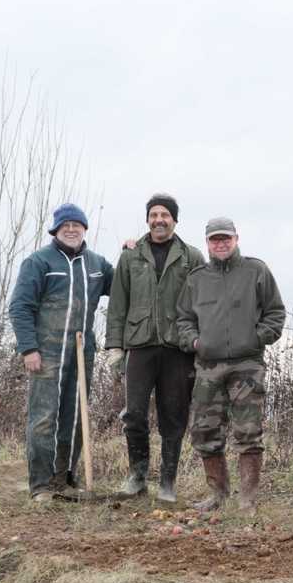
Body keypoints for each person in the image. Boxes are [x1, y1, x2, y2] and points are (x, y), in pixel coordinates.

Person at [176, 217, 285, 514]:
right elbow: (183, 319)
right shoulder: (197, 278)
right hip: (207, 367)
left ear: (236, 239)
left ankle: (248, 499)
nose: (220, 243)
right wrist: (195, 342)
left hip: (246, 365)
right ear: (207, 243)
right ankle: (219, 495)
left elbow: (275, 312)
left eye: (225, 238)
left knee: (248, 431)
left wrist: (256, 338)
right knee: (204, 430)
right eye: (215, 239)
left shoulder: (256, 270)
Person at [8, 203, 114, 501]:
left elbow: (124, 284)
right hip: (46, 352)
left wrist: (132, 251)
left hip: (82, 350)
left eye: (76, 225)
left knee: (75, 416)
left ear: (84, 229)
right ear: (55, 229)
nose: (71, 229)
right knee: (44, 418)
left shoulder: (96, 265)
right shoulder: (39, 262)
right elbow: (20, 307)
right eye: (65, 225)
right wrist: (29, 348)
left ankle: (64, 479)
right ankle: (41, 485)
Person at [105, 193, 206, 503]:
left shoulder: (191, 257)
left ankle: (167, 483)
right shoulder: (130, 257)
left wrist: (201, 344)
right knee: (134, 414)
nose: (159, 220)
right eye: (154, 215)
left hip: (178, 348)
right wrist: (115, 346)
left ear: (175, 220)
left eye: (165, 215)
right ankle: (137, 477)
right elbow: (118, 302)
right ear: (147, 219)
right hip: (140, 345)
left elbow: (203, 303)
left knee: (173, 415)